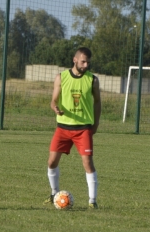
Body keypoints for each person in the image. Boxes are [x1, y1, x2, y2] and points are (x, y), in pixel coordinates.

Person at [43, 47, 101, 209]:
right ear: (74, 60)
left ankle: (92, 201)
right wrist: (55, 107)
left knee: (87, 163)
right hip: (62, 127)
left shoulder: (93, 80)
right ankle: (54, 193)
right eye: (83, 61)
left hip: (83, 128)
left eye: (88, 62)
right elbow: (53, 100)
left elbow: (97, 103)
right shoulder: (61, 77)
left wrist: (95, 123)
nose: (86, 65)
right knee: (52, 161)